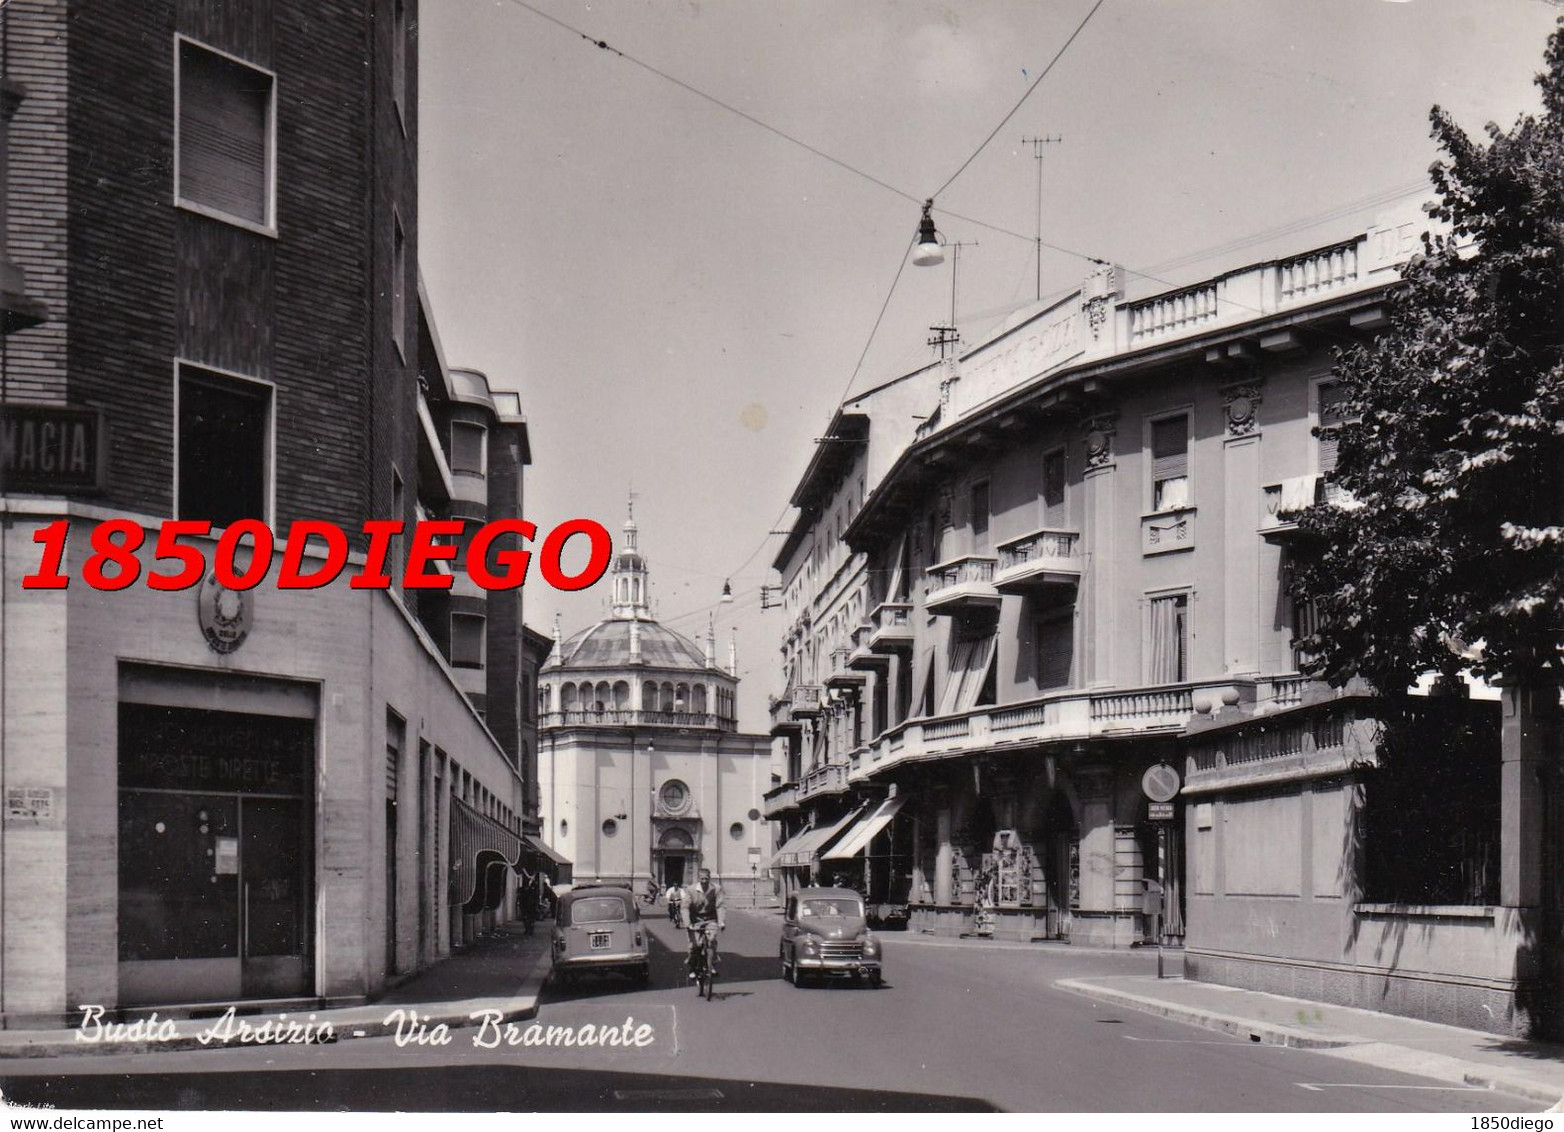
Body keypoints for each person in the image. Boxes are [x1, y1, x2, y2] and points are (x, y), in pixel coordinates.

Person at [681, 867, 726, 979]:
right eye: (702, 879)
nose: (704, 881)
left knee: (711, 940)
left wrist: (721, 922)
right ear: (698, 879)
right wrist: (688, 924)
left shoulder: (716, 889)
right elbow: (685, 907)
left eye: (706, 879)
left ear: (709, 878)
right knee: (694, 945)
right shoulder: (690, 890)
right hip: (695, 920)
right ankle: (692, 968)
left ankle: (711, 964)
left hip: (710, 919)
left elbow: (720, 906)